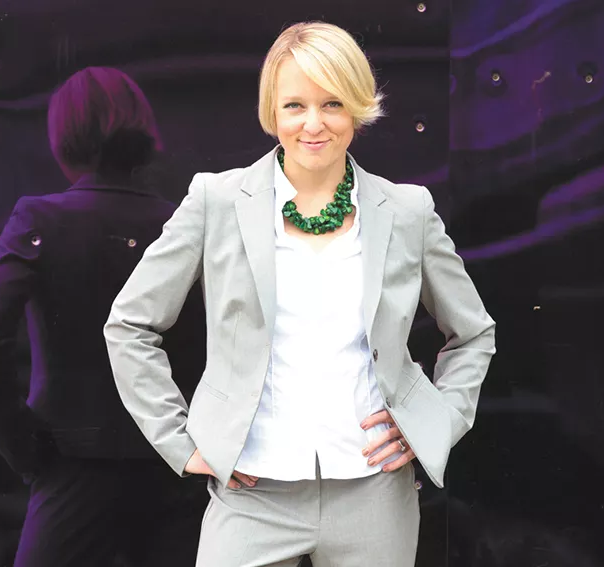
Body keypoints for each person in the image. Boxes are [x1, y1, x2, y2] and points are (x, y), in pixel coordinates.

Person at [104, 21, 496, 567]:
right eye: (294, 105)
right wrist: (180, 443)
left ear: (357, 106)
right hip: (250, 494)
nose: (313, 124)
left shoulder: (409, 211)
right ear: (273, 110)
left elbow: (473, 333)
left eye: (332, 103)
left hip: (375, 494)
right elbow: (129, 325)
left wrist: (436, 423)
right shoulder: (216, 201)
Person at [0, 66, 206, 567]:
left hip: (71, 465)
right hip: (176, 465)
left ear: (62, 137)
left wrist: (18, 442)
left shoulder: (38, 220)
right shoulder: (182, 225)